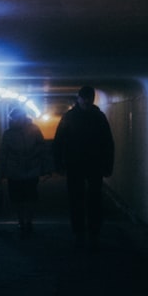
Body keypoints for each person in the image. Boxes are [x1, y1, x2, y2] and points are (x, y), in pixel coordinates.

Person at [52, 85, 115, 249]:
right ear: (79, 98)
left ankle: (91, 232)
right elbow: (58, 142)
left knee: (92, 199)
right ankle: (81, 232)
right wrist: (58, 162)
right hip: (79, 164)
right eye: (84, 98)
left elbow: (108, 143)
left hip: (88, 164)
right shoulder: (96, 117)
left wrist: (108, 164)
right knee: (78, 199)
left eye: (89, 98)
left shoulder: (72, 117)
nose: (86, 101)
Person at [0, 107, 49, 237]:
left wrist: (43, 165)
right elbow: (3, 154)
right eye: (13, 119)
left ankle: (28, 221)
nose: (14, 121)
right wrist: (1, 171)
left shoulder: (32, 130)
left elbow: (41, 147)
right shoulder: (9, 134)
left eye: (16, 118)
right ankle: (22, 221)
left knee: (29, 197)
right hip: (16, 171)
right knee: (18, 198)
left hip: (29, 170)